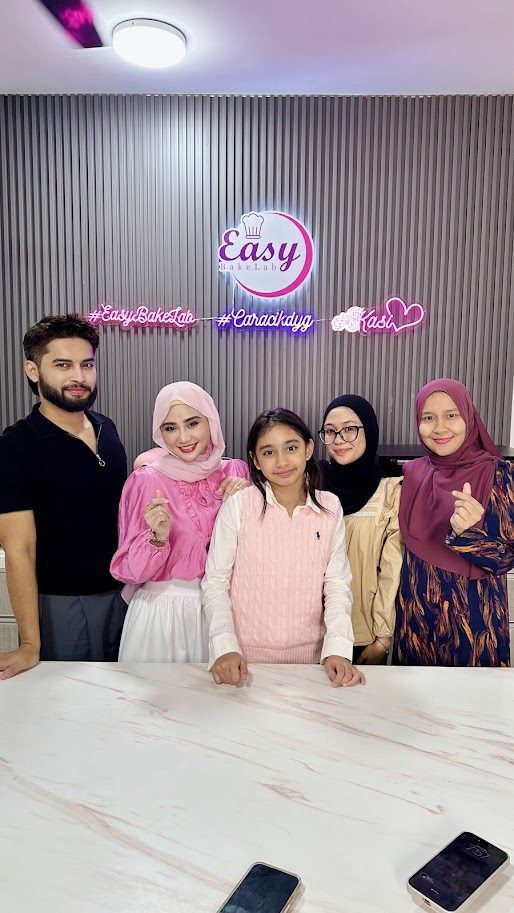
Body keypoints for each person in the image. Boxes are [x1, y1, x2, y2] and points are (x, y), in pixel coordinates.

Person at [0, 314, 127, 678]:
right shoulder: (15, 446)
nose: (79, 376)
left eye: (87, 364)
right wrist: (30, 643)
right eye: (62, 365)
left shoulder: (106, 427)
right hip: (62, 605)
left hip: (123, 595)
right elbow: (19, 549)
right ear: (33, 371)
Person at [202, 407, 365, 688]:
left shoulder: (330, 507)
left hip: (311, 662)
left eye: (291, 448)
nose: (281, 461)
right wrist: (224, 647)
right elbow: (216, 582)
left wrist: (338, 648)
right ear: (255, 460)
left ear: (308, 449)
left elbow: (337, 584)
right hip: (243, 661)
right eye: (268, 452)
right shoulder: (239, 507)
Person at [110, 382, 250, 662]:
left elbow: (254, 556)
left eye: (193, 423)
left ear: (211, 421)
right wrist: (158, 538)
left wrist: (250, 500)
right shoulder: (146, 480)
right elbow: (130, 572)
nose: (183, 437)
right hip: (162, 613)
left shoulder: (235, 472)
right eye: (170, 428)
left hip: (223, 612)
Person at [394, 378, 513, 666]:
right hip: (416, 620)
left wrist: (469, 534)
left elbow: (506, 559)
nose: (439, 428)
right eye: (428, 418)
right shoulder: (412, 473)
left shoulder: (498, 474)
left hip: (473, 623)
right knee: (410, 694)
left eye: (451, 415)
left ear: (468, 417)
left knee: (472, 695)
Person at [319, 395, 402, 664]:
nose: (339, 439)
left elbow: (391, 569)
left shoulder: (390, 490)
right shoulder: (310, 483)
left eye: (350, 429)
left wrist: (383, 638)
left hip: (363, 633)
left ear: (369, 431)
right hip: (311, 633)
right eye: (330, 431)